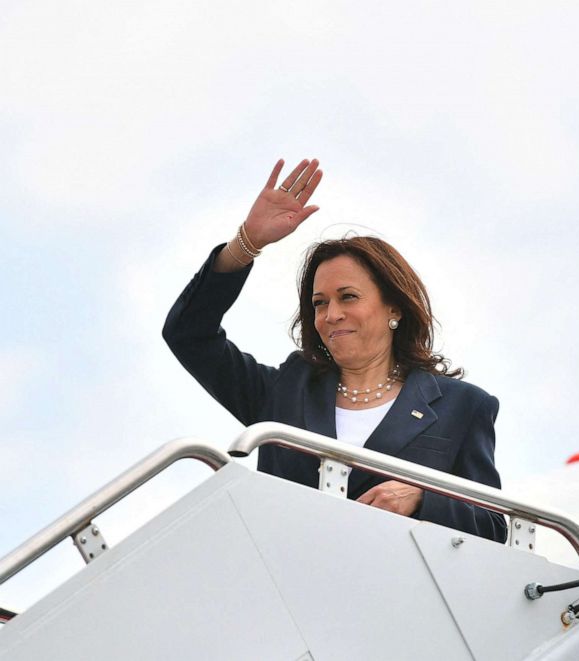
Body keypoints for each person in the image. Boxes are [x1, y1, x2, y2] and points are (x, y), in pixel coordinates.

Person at [163, 158, 507, 543]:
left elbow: (493, 526)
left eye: (348, 297)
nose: (331, 315)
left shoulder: (463, 406)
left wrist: (421, 498)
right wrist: (246, 244)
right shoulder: (285, 391)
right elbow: (189, 335)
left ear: (394, 307)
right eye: (320, 303)